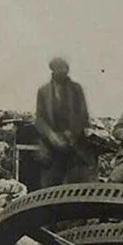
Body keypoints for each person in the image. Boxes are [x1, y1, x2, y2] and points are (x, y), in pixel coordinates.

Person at [34, 57, 97, 188]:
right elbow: (39, 119)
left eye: (64, 69)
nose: (62, 72)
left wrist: (71, 133)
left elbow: (83, 115)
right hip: (52, 147)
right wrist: (52, 136)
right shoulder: (43, 91)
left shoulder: (76, 89)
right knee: (49, 187)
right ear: (52, 70)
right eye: (58, 69)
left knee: (75, 186)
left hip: (73, 145)